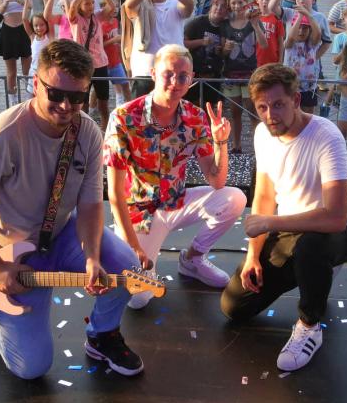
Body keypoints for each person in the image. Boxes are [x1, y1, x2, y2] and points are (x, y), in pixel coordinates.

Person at [0, 38, 144, 377]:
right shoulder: (1, 136)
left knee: (125, 267)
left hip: (62, 232)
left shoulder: (87, 132)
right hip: (12, 252)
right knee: (31, 369)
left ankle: (102, 334)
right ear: (36, 84)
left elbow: (90, 203)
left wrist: (92, 257)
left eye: (77, 97)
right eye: (56, 93)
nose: (66, 106)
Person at [221, 63, 347, 372]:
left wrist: (270, 223)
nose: (270, 114)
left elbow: (336, 217)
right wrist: (253, 255)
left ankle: (310, 326)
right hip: (290, 231)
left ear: (296, 100)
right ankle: (313, 274)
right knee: (234, 306)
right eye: (262, 107)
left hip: (334, 233)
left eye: (278, 104)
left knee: (311, 247)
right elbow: (265, 196)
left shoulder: (326, 136)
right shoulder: (263, 133)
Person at [105, 44, 246, 308]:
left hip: (176, 201)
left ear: (191, 80)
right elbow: (114, 193)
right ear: (153, 73)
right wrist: (134, 247)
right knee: (138, 298)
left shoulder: (195, 117)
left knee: (234, 198)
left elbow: (216, 181)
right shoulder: (124, 117)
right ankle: (128, 250)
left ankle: (192, 259)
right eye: (168, 74)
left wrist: (221, 142)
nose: (175, 82)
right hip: (140, 213)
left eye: (182, 76)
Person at [47, 0, 116, 129]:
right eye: (87, 4)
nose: (91, 6)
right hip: (83, 65)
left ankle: (104, 132)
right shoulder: (75, 19)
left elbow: (111, 6)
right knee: (82, 104)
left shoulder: (97, 17)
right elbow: (72, 6)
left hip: (100, 65)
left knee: (103, 103)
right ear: (79, 5)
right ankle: (83, 131)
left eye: (92, 3)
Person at [122, 0, 195, 97]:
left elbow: (189, 3)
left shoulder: (175, 4)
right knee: (141, 110)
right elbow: (128, 5)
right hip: (145, 72)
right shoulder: (142, 4)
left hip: (173, 73)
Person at [221, 0, 266, 152]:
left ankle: (258, 146)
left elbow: (264, 44)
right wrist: (226, 48)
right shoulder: (225, 24)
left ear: (246, 2)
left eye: (240, 2)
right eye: (233, 3)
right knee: (234, 112)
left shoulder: (254, 20)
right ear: (229, 4)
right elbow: (223, 52)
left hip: (250, 73)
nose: (237, 6)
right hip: (230, 73)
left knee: (252, 111)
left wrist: (255, 25)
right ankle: (236, 145)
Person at [0, 0, 32, 100]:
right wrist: (6, 0)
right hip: (8, 31)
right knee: (11, 72)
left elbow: (30, 5)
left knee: (27, 70)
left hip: (24, 29)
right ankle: (13, 100)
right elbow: (0, 10)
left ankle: (29, 98)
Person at [184, 0, 229, 108]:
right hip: (194, 74)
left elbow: (226, 54)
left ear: (227, 11)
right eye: (216, 4)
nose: (219, 8)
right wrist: (201, 42)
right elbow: (183, 43)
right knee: (191, 107)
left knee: (210, 108)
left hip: (213, 75)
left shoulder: (226, 27)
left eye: (223, 6)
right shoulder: (197, 22)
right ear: (211, 6)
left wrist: (221, 50)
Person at [283, 7, 322, 113]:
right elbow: (291, 37)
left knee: (308, 114)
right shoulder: (289, 44)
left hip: (309, 87)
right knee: (291, 113)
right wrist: (300, 16)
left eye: (305, 28)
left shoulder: (312, 44)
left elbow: (318, 34)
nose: (301, 31)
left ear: (309, 30)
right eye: (299, 27)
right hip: (291, 86)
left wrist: (308, 15)